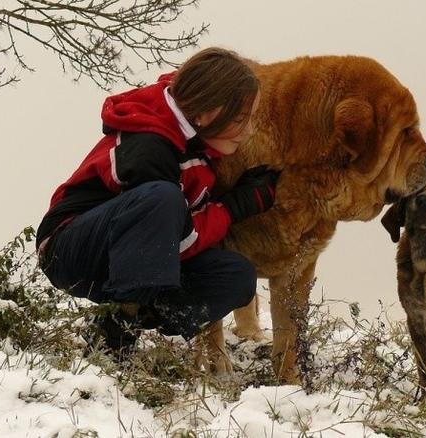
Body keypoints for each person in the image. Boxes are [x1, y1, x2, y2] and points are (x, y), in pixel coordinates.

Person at [36, 47, 279, 356]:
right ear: (206, 112)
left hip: (129, 254)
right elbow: (176, 241)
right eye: (241, 120)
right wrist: (235, 206)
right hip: (69, 249)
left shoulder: (196, 137)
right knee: (161, 198)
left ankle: (128, 319)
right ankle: (114, 342)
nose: (248, 132)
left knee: (236, 276)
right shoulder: (150, 145)